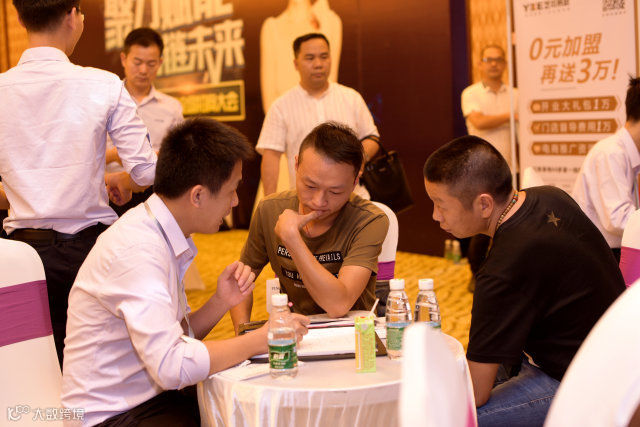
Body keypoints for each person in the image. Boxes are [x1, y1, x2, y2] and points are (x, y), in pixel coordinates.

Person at [62, 118, 309, 426]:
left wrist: (221, 301)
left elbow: (175, 339)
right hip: (110, 414)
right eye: (231, 191)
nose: (235, 202)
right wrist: (263, 339)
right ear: (198, 196)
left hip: (147, 397)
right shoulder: (138, 251)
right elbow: (172, 366)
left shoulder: (158, 230)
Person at [423, 135, 625, 426]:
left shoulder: (501, 271)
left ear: (484, 204)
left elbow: (475, 393)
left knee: (447, 419)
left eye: (440, 205)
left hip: (578, 382)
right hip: (618, 354)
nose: (434, 215)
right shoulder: (551, 195)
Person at [0, 0, 157, 365]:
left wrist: (26, 190)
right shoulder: (103, 84)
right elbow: (146, 172)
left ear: (20, 18)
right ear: (72, 16)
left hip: (18, 257)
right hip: (88, 254)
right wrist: (115, 179)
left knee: (31, 365)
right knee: (97, 364)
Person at [231, 122, 388, 331]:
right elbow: (240, 282)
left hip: (353, 333)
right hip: (296, 331)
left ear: (354, 182)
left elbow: (338, 305)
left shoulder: (369, 220)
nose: (318, 201)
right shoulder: (270, 209)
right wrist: (242, 331)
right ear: (296, 165)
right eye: (310, 186)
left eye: (335, 192)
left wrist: (292, 239)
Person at [257, 32, 379, 197]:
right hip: (306, 202)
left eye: (324, 57)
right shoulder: (280, 106)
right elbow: (271, 156)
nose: (318, 64)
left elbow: (372, 137)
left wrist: (359, 159)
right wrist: (268, 202)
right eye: (310, 58)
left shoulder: (351, 97)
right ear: (296, 64)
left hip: (354, 197)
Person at [106, 27, 183, 216]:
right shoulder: (106, 101)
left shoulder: (172, 107)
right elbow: (85, 155)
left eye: (151, 63)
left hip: (157, 195)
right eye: (137, 62)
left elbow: (180, 156)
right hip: (109, 193)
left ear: (160, 63)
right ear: (124, 59)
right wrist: (115, 155)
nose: (143, 70)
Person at [461, 44, 519, 289]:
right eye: (488, 59)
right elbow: (479, 121)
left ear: (505, 64)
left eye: (498, 59)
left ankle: (506, 271)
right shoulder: (471, 93)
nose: (494, 64)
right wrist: (511, 116)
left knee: (511, 221)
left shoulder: (516, 94)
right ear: (480, 64)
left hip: (511, 167)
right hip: (480, 170)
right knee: (481, 223)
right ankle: (477, 274)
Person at [572, 77, 640, 262]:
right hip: (598, 257)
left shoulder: (628, 154)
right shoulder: (611, 153)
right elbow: (618, 219)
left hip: (611, 252)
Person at [260, 0, 342, 113]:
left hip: (320, 117)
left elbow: (330, 81)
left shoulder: (330, 21)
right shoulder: (272, 27)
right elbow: (269, 101)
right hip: (283, 118)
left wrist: (322, 15)